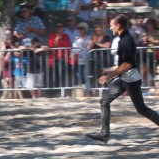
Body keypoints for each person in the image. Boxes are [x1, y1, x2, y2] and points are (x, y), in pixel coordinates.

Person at [86, 14, 159, 143]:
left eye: (112, 25)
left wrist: (109, 76)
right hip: (124, 79)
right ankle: (104, 135)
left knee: (141, 109)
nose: (110, 27)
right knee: (104, 101)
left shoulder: (126, 41)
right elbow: (122, 64)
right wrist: (108, 69)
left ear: (118, 25)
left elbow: (127, 64)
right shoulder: (122, 39)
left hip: (131, 80)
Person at [47, 21, 72, 89]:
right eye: (57, 27)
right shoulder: (52, 36)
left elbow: (68, 46)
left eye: (60, 27)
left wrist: (62, 40)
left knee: (63, 75)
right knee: (55, 76)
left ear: (63, 28)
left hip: (64, 59)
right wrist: (56, 40)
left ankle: (63, 90)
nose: (59, 28)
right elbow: (51, 47)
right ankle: (55, 91)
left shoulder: (66, 36)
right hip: (54, 60)